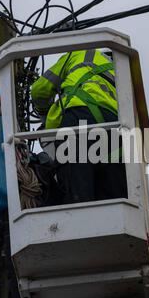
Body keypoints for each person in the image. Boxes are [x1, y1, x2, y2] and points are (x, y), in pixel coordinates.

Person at [31, 49, 127, 204]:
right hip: (116, 127)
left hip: (80, 118)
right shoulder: (123, 70)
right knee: (113, 198)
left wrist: (44, 114)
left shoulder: (79, 53)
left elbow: (39, 90)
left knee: (76, 193)